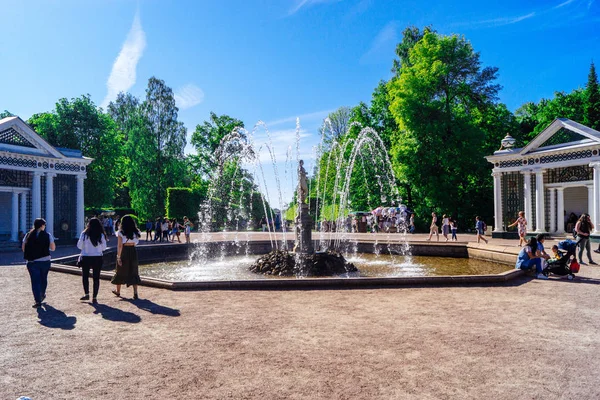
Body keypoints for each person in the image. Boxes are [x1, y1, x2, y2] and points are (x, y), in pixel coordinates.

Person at [22, 218, 56, 308]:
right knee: (43, 279)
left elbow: (23, 248)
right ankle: (42, 293)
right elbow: (53, 248)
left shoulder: (28, 235)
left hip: (32, 261)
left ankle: (37, 300)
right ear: (41, 226)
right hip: (45, 261)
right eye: (44, 225)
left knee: (35, 281)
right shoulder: (47, 235)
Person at [77, 217, 108, 303]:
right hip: (97, 257)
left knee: (85, 276)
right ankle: (94, 297)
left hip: (86, 257)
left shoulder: (84, 234)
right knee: (96, 277)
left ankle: (86, 293)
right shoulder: (101, 235)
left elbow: (79, 246)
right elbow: (104, 248)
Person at [111, 215, 142, 299]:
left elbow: (120, 246)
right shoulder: (137, 231)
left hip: (124, 250)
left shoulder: (121, 232)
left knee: (120, 270)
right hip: (133, 250)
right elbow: (137, 242)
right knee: (134, 271)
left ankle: (118, 291)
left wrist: (118, 257)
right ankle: (135, 293)